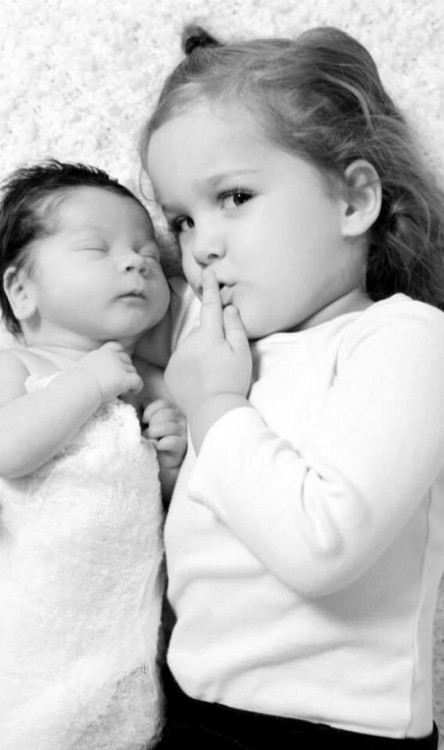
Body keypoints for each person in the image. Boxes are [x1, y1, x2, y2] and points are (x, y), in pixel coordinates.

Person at [140, 24, 444, 749]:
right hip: (194, 709)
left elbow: (321, 545)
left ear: (353, 201)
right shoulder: (225, 352)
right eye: (182, 219)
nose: (201, 244)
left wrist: (214, 407)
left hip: (330, 730)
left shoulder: (405, 337)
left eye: (235, 196)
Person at [0, 160, 186, 750]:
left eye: (148, 254)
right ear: (22, 291)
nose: (135, 262)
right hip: (22, 617)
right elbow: (4, 450)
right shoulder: (17, 366)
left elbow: (177, 511)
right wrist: (88, 383)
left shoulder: (153, 382)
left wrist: (173, 457)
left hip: (111, 634)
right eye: (97, 249)